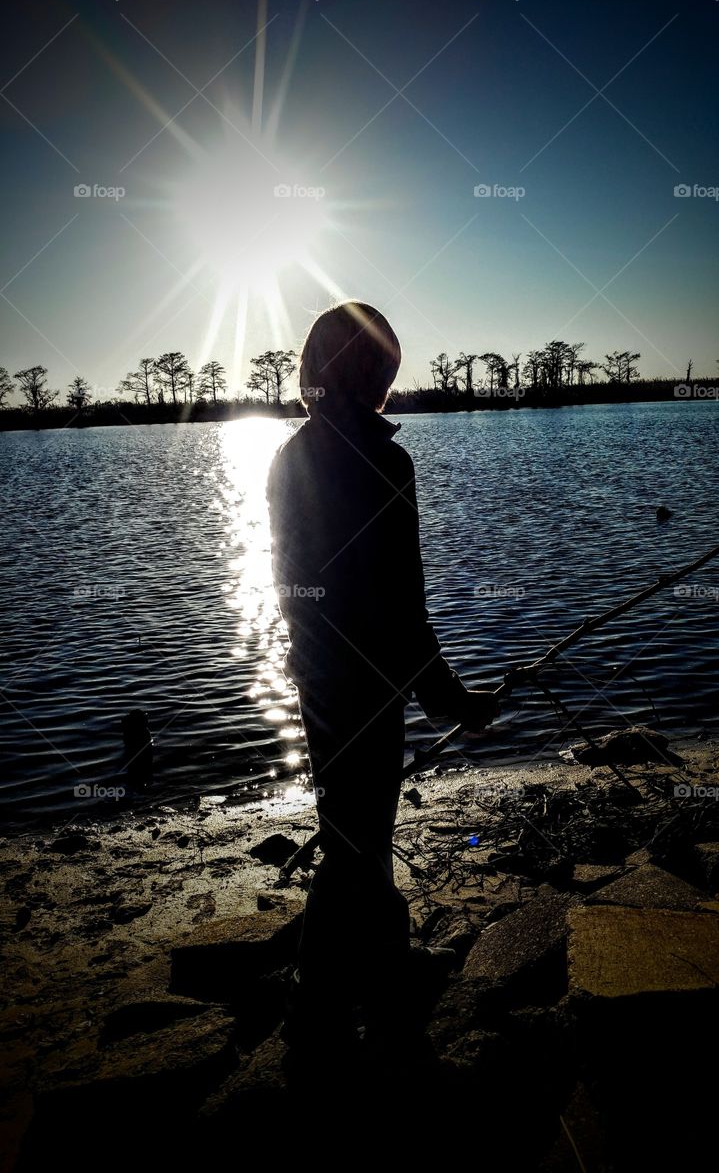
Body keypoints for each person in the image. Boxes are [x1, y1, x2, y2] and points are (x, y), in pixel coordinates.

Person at [266, 300, 498, 1068]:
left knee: (352, 835)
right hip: (367, 683)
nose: (380, 379)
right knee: (358, 846)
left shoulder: (289, 457)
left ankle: (349, 996)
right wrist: (452, 701)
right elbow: (401, 606)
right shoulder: (384, 463)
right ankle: (335, 1007)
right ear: (360, 372)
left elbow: (301, 589)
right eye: (375, 365)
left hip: (324, 682)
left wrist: (333, 663)